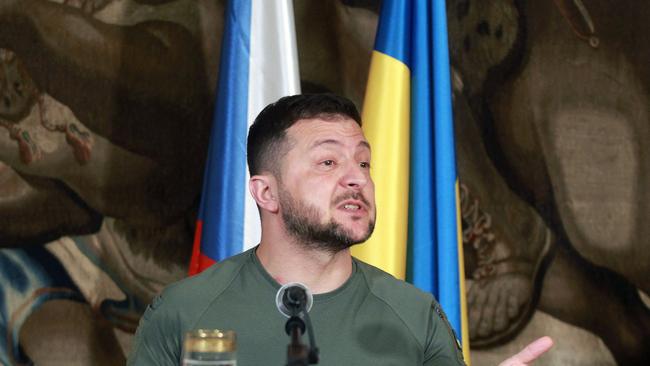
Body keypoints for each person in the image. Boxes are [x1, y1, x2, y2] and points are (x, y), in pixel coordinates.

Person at [127, 94, 553, 366]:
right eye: (328, 162)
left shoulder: (415, 316)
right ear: (266, 193)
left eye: (363, 162)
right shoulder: (181, 314)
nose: (357, 178)